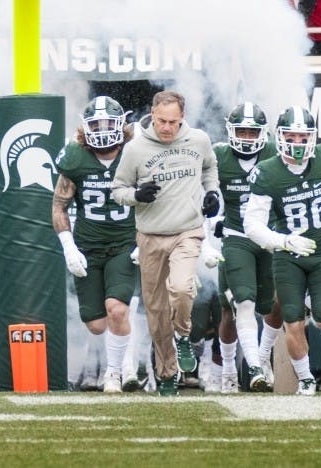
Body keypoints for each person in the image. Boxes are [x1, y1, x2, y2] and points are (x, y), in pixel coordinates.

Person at [243, 106, 321, 396]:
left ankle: (309, 301)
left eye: (302, 137)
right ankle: (305, 379)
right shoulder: (268, 172)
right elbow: (252, 224)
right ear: (280, 137)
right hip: (288, 256)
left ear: (313, 137)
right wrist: (282, 241)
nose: (296, 143)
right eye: (290, 137)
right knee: (292, 319)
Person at [111, 90, 220, 396]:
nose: (167, 127)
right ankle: (167, 373)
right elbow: (117, 188)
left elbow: (210, 168)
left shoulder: (198, 140)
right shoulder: (136, 149)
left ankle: (184, 337)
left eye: (173, 121)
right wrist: (135, 195)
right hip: (150, 235)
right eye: (162, 121)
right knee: (157, 313)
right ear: (153, 114)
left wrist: (212, 193)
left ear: (182, 118)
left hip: (187, 230)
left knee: (183, 288)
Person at [52, 96, 136, 394]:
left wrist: (144, 238)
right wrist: (68, 246)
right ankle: (110, 362)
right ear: (84, 128)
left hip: (124, 242)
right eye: (95, 125)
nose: (102, 131)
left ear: (121, 125)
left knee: (117, 309)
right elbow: (59, 206)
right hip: (87, 245)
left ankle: (116, 372)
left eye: (108, 124)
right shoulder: (75, 157)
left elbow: (155, 198)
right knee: (97, 324)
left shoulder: (135, 151)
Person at [212, 102, 282, 393]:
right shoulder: (217, 157)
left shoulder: (275, 154)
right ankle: (234, 368)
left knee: (275, 304)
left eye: (253, 132)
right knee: (237, 306)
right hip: (235, 236)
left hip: (267, 237)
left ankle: (262, 355)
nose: (247, 137)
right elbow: (204, 191)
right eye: (241, 130)